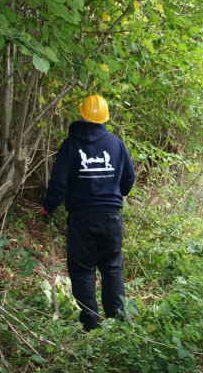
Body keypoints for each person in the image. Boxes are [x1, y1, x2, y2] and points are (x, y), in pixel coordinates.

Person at [41, 94, 135, 331]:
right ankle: (118, 321)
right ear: (105, 117)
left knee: (83, 269)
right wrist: (115, 195)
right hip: (111, 215)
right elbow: (129, 178)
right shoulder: (116, 144)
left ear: (82, 115)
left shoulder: (71, 145)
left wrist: (48, 206)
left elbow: (59, 184)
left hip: (82, 218)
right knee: (111, 266)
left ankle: (90, 323)